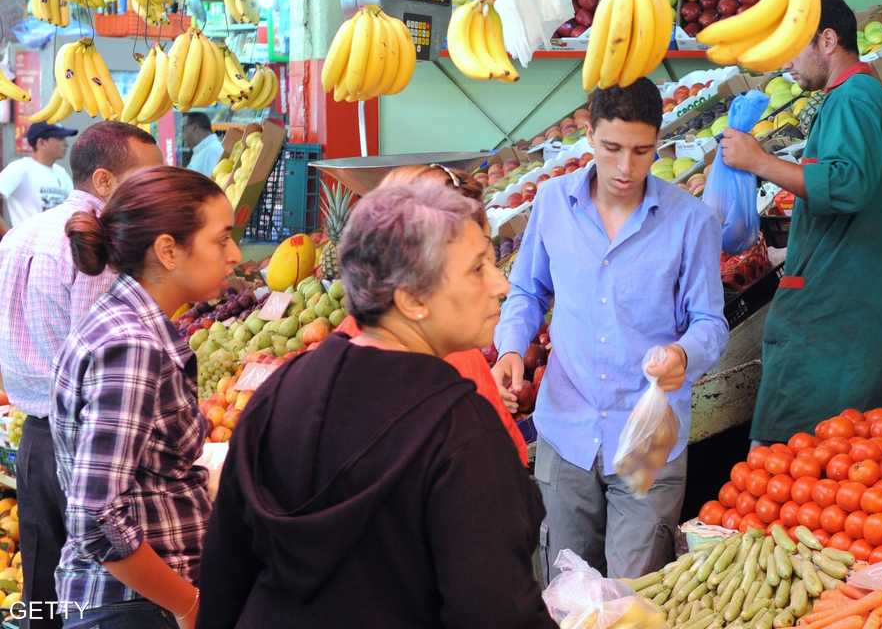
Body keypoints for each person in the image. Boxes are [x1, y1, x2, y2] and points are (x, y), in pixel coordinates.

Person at [198, 183, 541, 628]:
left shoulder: (280, 393)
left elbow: (225, 575)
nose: (501, 284)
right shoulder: (460, 429)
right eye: (478, 268)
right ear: (412, 300)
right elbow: (495, 612)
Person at [492, 80, 728, 579]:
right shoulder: (553, 203)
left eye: (642, 151)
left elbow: (709, 323)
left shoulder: (691, 221)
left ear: (658, 144)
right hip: (566, 433)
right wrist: (510, 349)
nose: (626, 168)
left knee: (632, 598)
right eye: (612, 148)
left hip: (648, 440)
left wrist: (682, 356)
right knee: (566, 592)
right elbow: (528, 292)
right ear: (590, 138)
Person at [720, 0, 882, 444]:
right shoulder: (855, 98)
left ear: (827, 41)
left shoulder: (853, 99)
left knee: (803, 454)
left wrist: (759, 162)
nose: (785, 62)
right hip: (850, 299)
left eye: (792, 46)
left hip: (840, 310)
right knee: (849, 454)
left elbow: (845, 184)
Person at [54, 166, 242, 629]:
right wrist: (189, 605)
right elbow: (96, 518)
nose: (235, 255)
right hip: (133, 608)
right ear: (167, 250)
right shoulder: (132, 344)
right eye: (222, 240)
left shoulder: (124, 322)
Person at [0, 122, 163, 629]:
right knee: (99, 594)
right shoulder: (94, 246)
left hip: (36, 437)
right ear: (105, 180)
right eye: (147, 177)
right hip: (90, 441)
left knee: (44, 583)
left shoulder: (19, 237)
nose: (155, 190)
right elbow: (102, 359)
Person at [330, 163, 528, 465]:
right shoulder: (452, 372)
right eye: (478, 265)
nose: (501, 284)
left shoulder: (326, 364)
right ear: (411, 292)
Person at [0, 123, 77, 229]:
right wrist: (9, 236)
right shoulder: (20, 168)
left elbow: (74, 207)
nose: (66, 144)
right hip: (28, 244)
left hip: (58, 242)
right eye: (60, 138)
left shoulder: (61, 172)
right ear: (41, 142)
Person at [182, 113, 223, 177]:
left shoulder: (213, 151)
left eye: (184, 129)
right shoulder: (204, 150)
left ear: (194, 128)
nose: (182, 136)